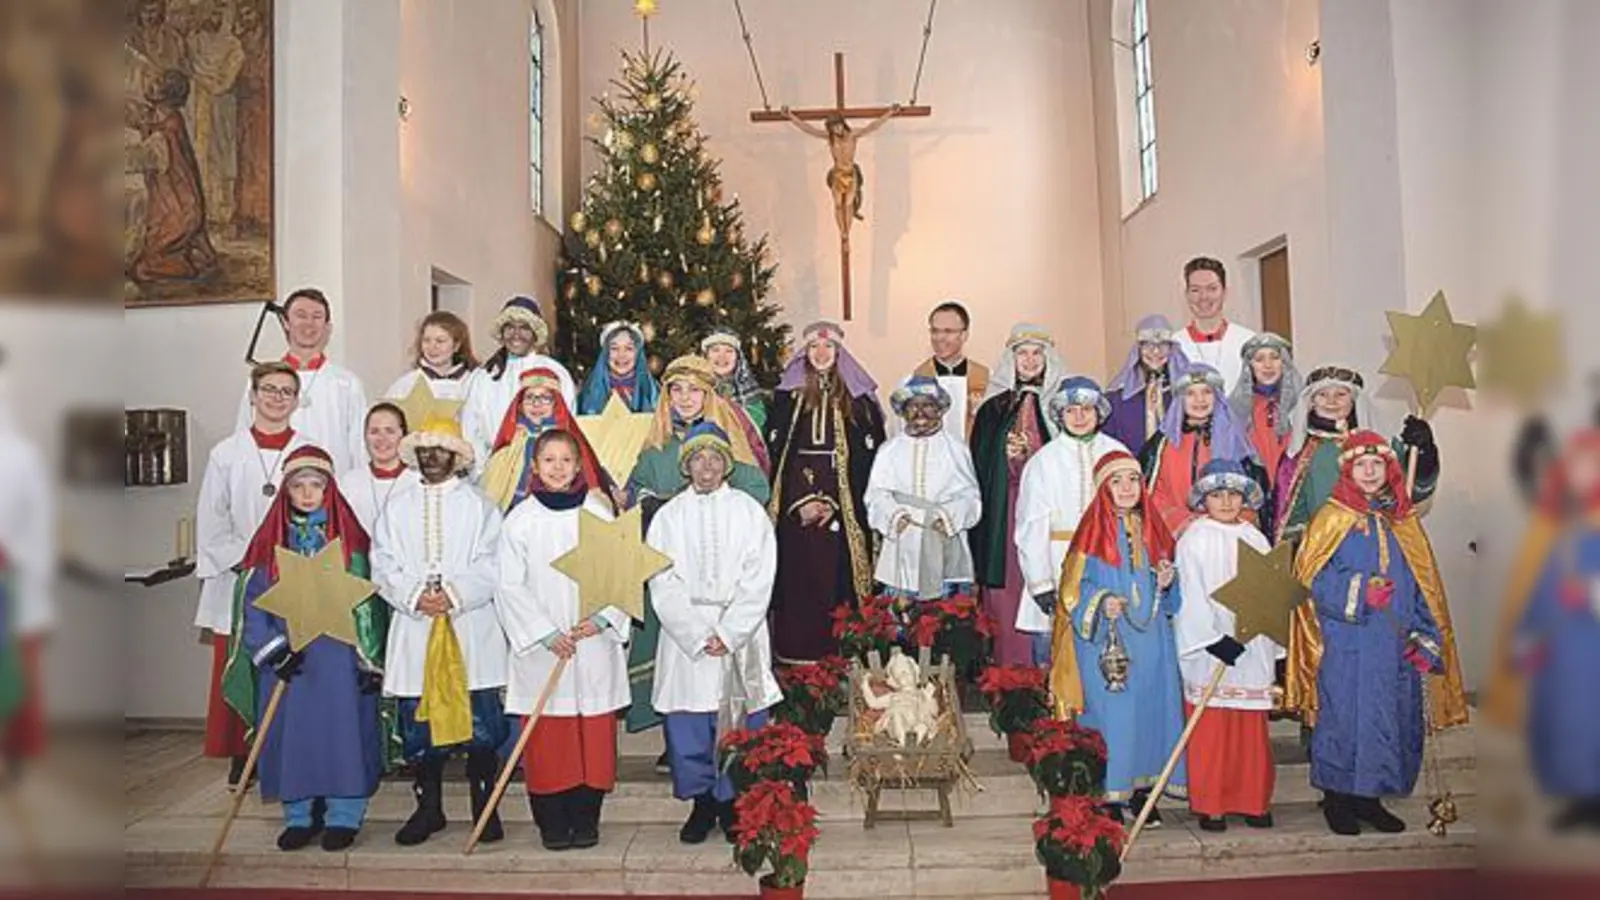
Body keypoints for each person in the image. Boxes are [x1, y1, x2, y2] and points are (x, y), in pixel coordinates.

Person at [1287, 431, 1468, 835]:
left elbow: (1426, 585)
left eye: (1378, 465)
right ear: (1348, 470)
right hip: (1345, 640)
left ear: (1390, 470)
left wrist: (1425, 636)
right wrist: (1358, 589)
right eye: (1361, 465)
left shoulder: (1402, 520)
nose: (1370, 472)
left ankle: (1371, 799)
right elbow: (1310, 579)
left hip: (1392, 643)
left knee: (1387, 718)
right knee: (1343, 717)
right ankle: (1337, 800)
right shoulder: (1330, 517)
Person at [227, 446, 390, 852]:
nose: (306, 494)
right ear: (285, 491)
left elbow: (368, 606)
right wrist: (272, 649)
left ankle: (344, 813)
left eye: (315, 485)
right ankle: (298, 814)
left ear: (329, 490)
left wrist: (368, 661)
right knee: (291, 736)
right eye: (297, 485)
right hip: (290, 663)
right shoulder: (269, 547)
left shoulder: (350, 546)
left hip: (339, 662)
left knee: (343, 736)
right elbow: (253, 604)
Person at [372, 417, 507, 847]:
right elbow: (383, 562)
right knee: (420, 725)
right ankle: (427, 808)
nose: (432, 457)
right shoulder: (397, 507)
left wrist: (453, 593)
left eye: (441, 449)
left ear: (456, 456)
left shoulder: (480, 506)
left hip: (469, 624)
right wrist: (414, 596)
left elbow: (493, 562)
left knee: (481, 721)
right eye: (425, 450)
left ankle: (484, 807)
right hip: (416, 626)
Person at [495, 430, 632, 851]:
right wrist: (544, 633)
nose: (557, 467)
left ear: (578, 466)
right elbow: (508, 585)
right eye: (548, 460)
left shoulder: (598, 514)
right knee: (549, 737)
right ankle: (552, 821)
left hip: (590, 643)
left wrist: (605, 618)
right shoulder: (520, 520)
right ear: (534, 467)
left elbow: (622, 571)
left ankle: (586, 817)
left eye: (565, 460)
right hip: (544, 649)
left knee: (591, 734)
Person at [645, 423, 781, 844]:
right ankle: (702, 804)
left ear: (727, 464)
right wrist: (698, 634)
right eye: (698, 459)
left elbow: (760, 577)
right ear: (687, 466)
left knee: (739, 725)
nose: (707, 467)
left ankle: (734, 803)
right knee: (688, 727)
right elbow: (661, 579)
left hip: (739, 634)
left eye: (715, 458)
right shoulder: (668, 517)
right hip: (687, 640)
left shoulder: (748, 512)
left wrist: (730, 631)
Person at [624, 355, 771, 737]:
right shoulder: (656, 443)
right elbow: (633, 489)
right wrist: (652, 504)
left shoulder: (729, 439)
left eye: (695, 390)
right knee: (671, 664)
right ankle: (668, 733)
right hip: (671, 563)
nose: (685, 398)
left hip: (724, 568)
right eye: (677, 390)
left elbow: (755, 491)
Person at [1051, 451, 1183, 825]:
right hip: (1105, 643)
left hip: (1152, 638)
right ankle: (1110, 792)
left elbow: (1173, 598)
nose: (1126, 488)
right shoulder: (1089, 534)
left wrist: (1168, 582)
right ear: (1102, 488)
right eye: (1116, 481)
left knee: (1150, 712)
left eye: (1132, 480)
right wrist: (1101, 600)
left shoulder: (1155, 530)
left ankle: (1143, 792)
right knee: (1113, 715)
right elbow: (1072, 591)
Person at [195, 362, 308, 784]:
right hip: (241, 572)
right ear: (253, 395)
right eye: (269, 389)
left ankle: (287, 746)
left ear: (297, 401)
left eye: (286, 392)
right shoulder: (225, 453)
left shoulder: (308, 450)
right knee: (243, 659)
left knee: (294, 663)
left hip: (295, 571)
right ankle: (245, 752)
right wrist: (249, 555)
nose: (277, 398)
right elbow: (211, 518)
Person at [765, 321, 885, 664]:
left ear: (838, 353)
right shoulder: (787, 399)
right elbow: (778, 458)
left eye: (828, 348)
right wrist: (801, 501)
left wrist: (832, 500)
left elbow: (867, 459)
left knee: (838, 583)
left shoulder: (858, 401)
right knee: (798, 581)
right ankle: (796, 662)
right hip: (794, 511)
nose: (821, 354)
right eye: (814, 348)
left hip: (843, 511)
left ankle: (844, 657)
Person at [1174, 459, 1281, 832]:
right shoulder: (1194, 539)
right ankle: (1212, 803)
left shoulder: (1256, 537)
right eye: (1217, 495)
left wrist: (1270, 641)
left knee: (1250, 730)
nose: (1226, 502)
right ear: (1204, 498)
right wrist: (1211, 639)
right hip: (1212, 649)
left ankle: (1252, 800)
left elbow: (1270, 592)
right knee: (1213, 728)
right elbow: (1189, 594)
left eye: (1233, 494)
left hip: (1252, 646)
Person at [1510, 429, 1600, 830]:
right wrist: (1530, 635)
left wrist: (1594, 593)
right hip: (1564, 646)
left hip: (1593, 643)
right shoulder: (1562, 522)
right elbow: (1543, 583)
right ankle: (1579, 799)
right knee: (1568, 721)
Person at [970, 325, 1069, 667]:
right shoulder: (992, 410)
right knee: (1009, 589)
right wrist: (1006, 456)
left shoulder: (1065, 408)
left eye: (1036, 353)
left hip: (1051, 516)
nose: (1029, 360)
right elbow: (980, 468)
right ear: (1011, 360)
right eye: (1022, 353)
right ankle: (1011, 675)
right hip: (1005, 512)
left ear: (1048, 359)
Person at [1014, 377, 1128, 666]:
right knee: (1055, 653)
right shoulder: (1043, 461)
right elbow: (1031, 526)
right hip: (1056, 562)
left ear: (1099, 413)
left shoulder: (1118, 453)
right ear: (1060, 415)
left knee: (1109, 647)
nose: (1079, 417)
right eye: (1071, 410)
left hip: (1108, 561)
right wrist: (1040, 584)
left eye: (1086, 409)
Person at [1274, 366, 1440, 549]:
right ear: (1311, 401)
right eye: (1322, 394)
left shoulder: (1379, 443)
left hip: (1376, 546)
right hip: (1324, 551)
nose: (1332, 401)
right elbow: (1292, 515)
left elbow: (1414, 491)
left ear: (1354, 400)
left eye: (1341, 394)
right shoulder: (1300, 453)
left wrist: (1425, 453)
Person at [866, 376, 981, 600]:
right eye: (913, 406)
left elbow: (971, 496)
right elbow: (875, 494)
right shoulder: (889, 450)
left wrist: (948, 517)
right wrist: (893, 515)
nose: (920, 412)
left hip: (944, 543)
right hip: (902, 544)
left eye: (927, 405)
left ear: (939, 410)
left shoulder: (956, 449)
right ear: (904, 411)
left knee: (944, 623)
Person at [234, 289, 369, 473]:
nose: (309, 324)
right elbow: (244, 438)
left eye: (317, 316)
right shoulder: (261, 381)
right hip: (275, 483)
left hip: (332, 486)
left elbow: (359, 446)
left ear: (327, 327)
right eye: (301, 315)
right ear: (286, 322)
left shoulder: (347, 383)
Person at [1138, 364, 1267, 539]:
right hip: (1174, 533)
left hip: (1227, 534)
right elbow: (1153, 494)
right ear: (1180, 399)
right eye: (1190, 393)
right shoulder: (1161, 444)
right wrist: (1183, 523)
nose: (1200, 400)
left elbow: (1250, 495)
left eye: (1207, 392)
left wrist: (1221, 525)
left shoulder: (1238, 441)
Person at [0, 375, 54, 770]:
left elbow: (37, 523)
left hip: (9, 574)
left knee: (9, 673)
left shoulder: (19, 455)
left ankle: (11, 753)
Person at [462, 296, 577, 471]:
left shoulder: (555, 373)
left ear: (535, 333)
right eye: (510, 327)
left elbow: (567, 423)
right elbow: (471, 426)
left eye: (524, 327)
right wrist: (484, 469)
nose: (516, 334)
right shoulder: (485, 375)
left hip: (544, 473)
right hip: (494, 469)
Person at [480, 367, 608, 513]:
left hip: (559, 508)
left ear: (555, 403)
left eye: (545, 398)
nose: (536, 404)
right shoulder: (513, 440)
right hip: (517, 509)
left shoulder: (567, 440)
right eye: (530, 397)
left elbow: (589, 474)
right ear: (520, 404)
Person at [1104, 314, 1191, 455]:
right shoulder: (1117, 399)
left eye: (1163, 344)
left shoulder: (1186, 395)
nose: (1155, 351)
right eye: (1148, 344)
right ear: (1138, 349)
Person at [1171, 257, 1258, 394]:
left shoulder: (1248, 341)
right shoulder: (1173, 346)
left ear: (1224, 292)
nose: (1203, 297)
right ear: (1186, 295)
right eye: (1195, 290)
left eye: (1212, 288)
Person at [1226, 332, 1301, 485]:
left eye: (1274, 357)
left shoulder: (1301, 404)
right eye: (1259, 359)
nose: (1268, 365)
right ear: (1250, 366)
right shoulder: (1236, 408)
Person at [912, 301, 989, 441]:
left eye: (948, 331)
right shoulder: (919, 378)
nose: (939, 338)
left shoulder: (984, 377)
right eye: (935, 331)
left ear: (964, 335)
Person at [340, 403, 420, 538]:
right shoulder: (349, 483)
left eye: (390, 431)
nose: (382, 439)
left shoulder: (418, 481)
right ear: (365, 437)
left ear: (403, 435)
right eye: (374, 431)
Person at [383, 311, 479, 411]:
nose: (432, 347)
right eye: (426, 340)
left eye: (440, 341)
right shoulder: (407, 383)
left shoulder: (473, 382)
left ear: (456, 346)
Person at [577, 320, 660, 415]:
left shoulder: (653, 392)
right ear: (605, 354)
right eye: (614, 348)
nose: (621, 355)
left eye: (629, 348)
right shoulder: (589, 393)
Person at [701, 328, 769, 431]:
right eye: (715, 350)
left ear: (738, 358)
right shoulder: (694, 387)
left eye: (729, 351)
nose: (722, 357)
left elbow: (756, 427)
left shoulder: (750, 391)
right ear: (706, 356)